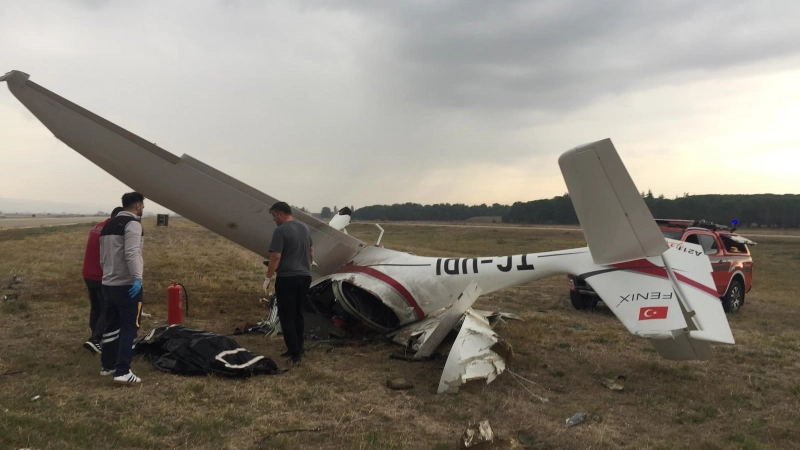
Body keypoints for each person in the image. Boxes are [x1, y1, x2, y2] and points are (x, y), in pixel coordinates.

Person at [99, 192, 145, 384]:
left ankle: (107, 366)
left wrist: (107, 274)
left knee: (111, 325)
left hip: (108, 283)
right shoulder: (133, 224)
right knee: (129, 327)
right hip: (126, 285)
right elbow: (132, 253)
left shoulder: (108, 225)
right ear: (138, 206)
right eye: (142, 205)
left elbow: (103, 256)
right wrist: (137, 278)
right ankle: (123, 371)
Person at [264, 201, 314, 365]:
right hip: (305, 277)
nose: (273, 219)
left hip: (287, 278)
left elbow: (276, 256)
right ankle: (299, 347)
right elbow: (311, 251)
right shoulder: (304, 228)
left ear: (280, 214)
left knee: (286, 315)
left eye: (274, 216)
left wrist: (268, 277)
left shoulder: (280, 230)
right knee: (298, 313)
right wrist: (307, 265)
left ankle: (295, 354)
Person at [82, 206, 123, 355]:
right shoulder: (111, 230)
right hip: (101, 275)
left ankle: (94, 337)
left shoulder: (97, 227)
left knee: (96, 307)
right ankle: (96, 339)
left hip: (88, 273)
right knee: (107, 308)